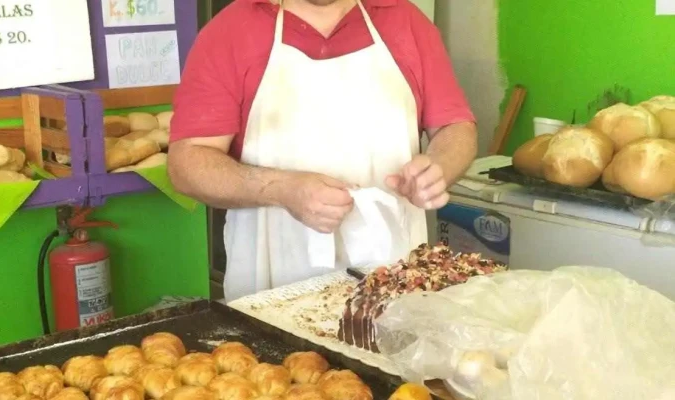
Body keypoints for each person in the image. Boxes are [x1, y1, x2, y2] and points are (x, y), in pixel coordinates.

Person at [167, 0, 478, 301]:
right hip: (270, 291)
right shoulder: (230, 32)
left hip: (395, 282)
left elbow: (456, 128)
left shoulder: (406, 21)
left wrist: (439, 165)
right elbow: (188, 162)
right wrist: (281, 189)